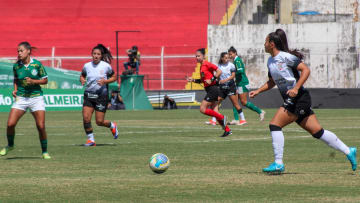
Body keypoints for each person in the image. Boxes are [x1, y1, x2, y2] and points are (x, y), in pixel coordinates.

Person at [249, 30, 357, 173]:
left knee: (275, 125)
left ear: (272, 44)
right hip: (294, 99)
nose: (264, 44)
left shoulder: (286, 57)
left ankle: (278, 163)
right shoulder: (270, 61)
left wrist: (296, 88)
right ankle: (349, 151)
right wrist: (258, 91)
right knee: (318, 132)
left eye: (266, 41)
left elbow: (305, 70)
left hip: (298, 98)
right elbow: (272, 82)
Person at [0, 42, 51, 159]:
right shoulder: (16, 66)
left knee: (41, 126)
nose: (19, 53)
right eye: (18, 51)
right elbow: (16, 79)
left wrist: (34, 81)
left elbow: (45, 80)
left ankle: (44, 152)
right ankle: (10, 145)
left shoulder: (37, 65)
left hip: (36, 97)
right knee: (10, 124)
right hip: (21, 98)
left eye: (21, 51)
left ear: (28, 51)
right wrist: (15, 90)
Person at [80, 44, 119, 146]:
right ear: (91, 55)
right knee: (86, 118)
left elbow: (114, 77)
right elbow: (82, 75)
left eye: (98, 54)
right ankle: (91, 140)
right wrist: (82, 79)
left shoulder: (106, 66)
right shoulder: (87, 66)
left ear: (101, 56)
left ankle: (112, 126)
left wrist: (105, 81)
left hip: (101, 97)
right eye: (94, 54)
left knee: (99, 121)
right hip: (89, 94)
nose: (96, 56)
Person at [187, 48, 232, 137]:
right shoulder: (201, 66)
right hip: (210, 89)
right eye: (196, 56)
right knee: (215, 110)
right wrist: (193, 80)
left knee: (202, 109)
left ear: (203, 56)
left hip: (213, 89)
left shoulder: (207, 64)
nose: (196, 57)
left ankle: (222, 118)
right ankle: (227, 130)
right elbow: (203, 80)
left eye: (198, 56)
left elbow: (219, 71)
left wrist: (212, 79)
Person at [228, 46, 265, 125]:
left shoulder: (237, 61)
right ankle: (236, 119)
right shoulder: (235, 61)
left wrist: (232, 74)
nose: (230, 56)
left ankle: (260, 111)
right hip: (239, 83)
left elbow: (240, 71)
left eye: (231, 54)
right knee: (235, 101)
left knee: (243, 102)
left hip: (242, 83)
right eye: (229, 54)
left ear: (235, 53)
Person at [206, 52, 245, 126]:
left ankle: (243, 119)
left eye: (228, 58)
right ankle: (214, 121)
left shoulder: (231, 65)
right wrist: (215, 82)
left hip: (230, 87)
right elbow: (217, 76)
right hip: (222, 88)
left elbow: (233, 76)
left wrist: (225, 80)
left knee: (235, 104)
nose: (227, 59)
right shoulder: (219, 66)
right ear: (222, 58)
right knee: (216, 103)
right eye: (226, 58)